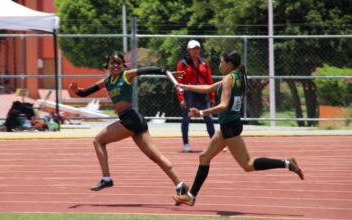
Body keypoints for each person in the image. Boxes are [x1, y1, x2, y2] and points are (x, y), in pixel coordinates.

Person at [172, 50, 304, 206]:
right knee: (204, 157)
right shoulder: (237, 77)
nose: (219, 64)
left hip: (230, 127)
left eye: (221, 62)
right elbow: (208, 88)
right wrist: (183, 86)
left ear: (229, 64)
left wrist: (201, 112)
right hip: (230, 125)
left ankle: (287, 163)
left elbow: (223, 106)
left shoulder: (229, 78)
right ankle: (191, 196)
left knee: (248, 164)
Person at [69, 52, 188, 195]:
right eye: (112, 63)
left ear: (123, 65)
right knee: (154, 156)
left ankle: (106, 178)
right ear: (107, 65)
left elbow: (148, 70)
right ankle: (179, 184)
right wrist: (77, 91)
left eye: (118, 63)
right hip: (134, 121)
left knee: (98, 141)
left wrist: (167, 73)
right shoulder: (106, 81)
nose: (115, 65)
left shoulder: (126, 75)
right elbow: (85, 93)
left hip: (130, 119)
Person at [177, 40, 215, 152]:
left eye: (198, 48)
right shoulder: (183, 64)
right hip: (189, 93)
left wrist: (212, 95)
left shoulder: (204, 63)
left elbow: (209, 80)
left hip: (203, 92)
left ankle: (214, 143)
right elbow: (179, 81)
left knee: (208, 118)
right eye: (194, 49)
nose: (196, 51)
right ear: (188, 50)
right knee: (186, 118)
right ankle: (186, 144)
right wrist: (181, 98)